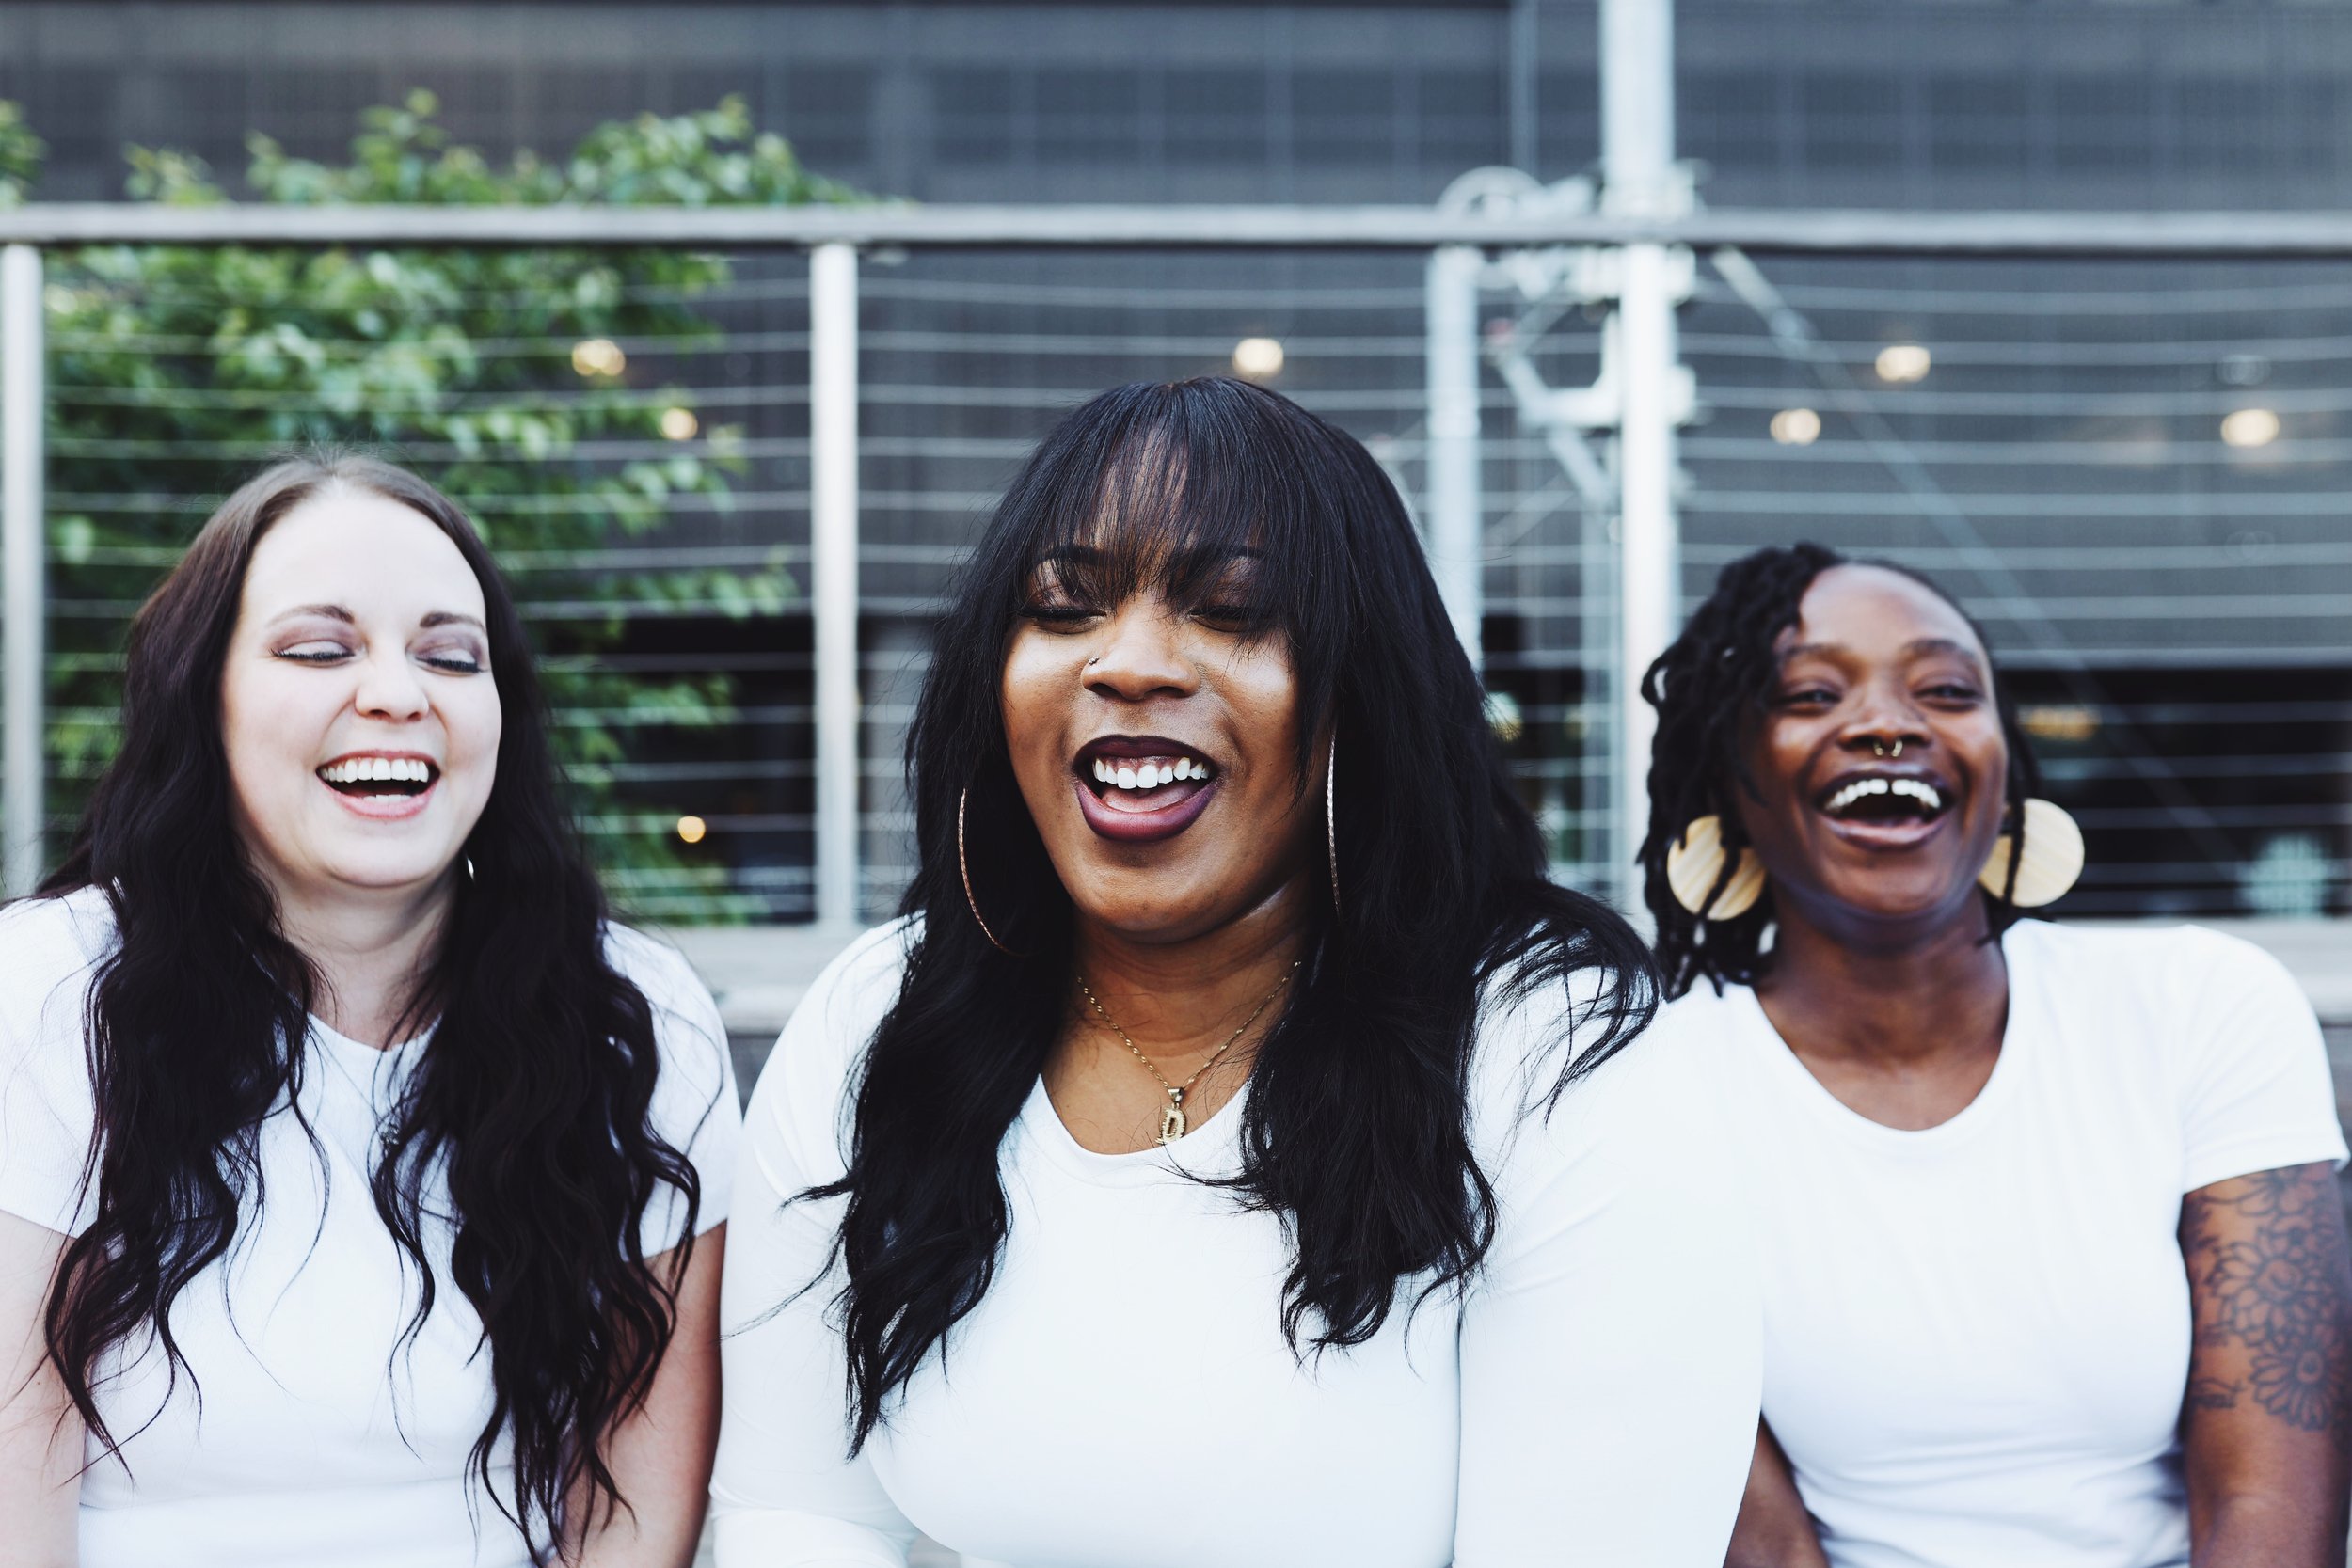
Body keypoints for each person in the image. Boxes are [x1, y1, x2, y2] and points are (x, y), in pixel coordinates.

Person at [710, 376, 1760, 1566]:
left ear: (1360, 693)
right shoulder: (883, 1011)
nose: (1130, 663)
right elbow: (800, 1509)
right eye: (1063, 606)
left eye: (1233, 610)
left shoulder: (1553, 1050)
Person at [0, 455, 739, 1568]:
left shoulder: (635, 1019)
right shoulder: (51, 990)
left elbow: (631, 1506)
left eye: (451, 655)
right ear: (203, 696)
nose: (399, 693)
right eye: (318, 649)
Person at [1637, 543, 2352, 1568]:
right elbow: (1756, 1533)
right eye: (1810, 693)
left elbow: (2266, 1501)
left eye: (1945, 689)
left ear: (2004, 767)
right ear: (1725, 774)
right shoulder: (1655, 1079)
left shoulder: (2199, 1005)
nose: (1888, 724)